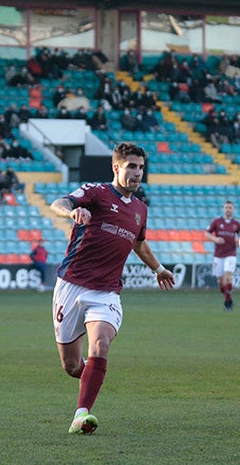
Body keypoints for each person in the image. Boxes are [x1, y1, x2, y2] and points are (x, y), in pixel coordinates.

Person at [48, 142, 175, 435]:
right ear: (116, 167)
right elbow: (60, 202)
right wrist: (73, 214)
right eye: (131, 166)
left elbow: (138, 243)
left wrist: (158, 268)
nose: (137, 173)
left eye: (141, 167)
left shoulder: (141, 209)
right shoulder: (96, 192)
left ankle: (81, 415)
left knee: (101, 344)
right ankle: (90, 377)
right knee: (70, 366)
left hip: (105, 292)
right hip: (71, 285)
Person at [205, 200, 240, 311]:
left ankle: (227, 303)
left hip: (231, 254)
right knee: (220, 282)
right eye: (226, 207)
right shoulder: (216, 221)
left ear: (233, 210)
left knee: (228, 277)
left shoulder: (236, 224)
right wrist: (215, 239)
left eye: (230, 207)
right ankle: (228, 298)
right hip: (218, 255)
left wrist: (239, 241)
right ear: (223, 209)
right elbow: (207, 233)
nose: (228, 209)